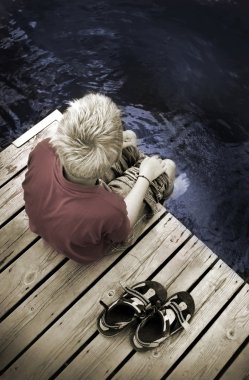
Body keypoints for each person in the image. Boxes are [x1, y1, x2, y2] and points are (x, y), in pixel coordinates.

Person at [22, 93, 176, 264]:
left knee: (131, 140)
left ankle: (138, 167)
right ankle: (159, 195)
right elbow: (123, 231)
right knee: (168, 167)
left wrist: (115, 146)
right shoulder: (109, 208)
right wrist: (145, 177)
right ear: (113, 160)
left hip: (50, 220)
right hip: (86, 246)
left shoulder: (43, 149)